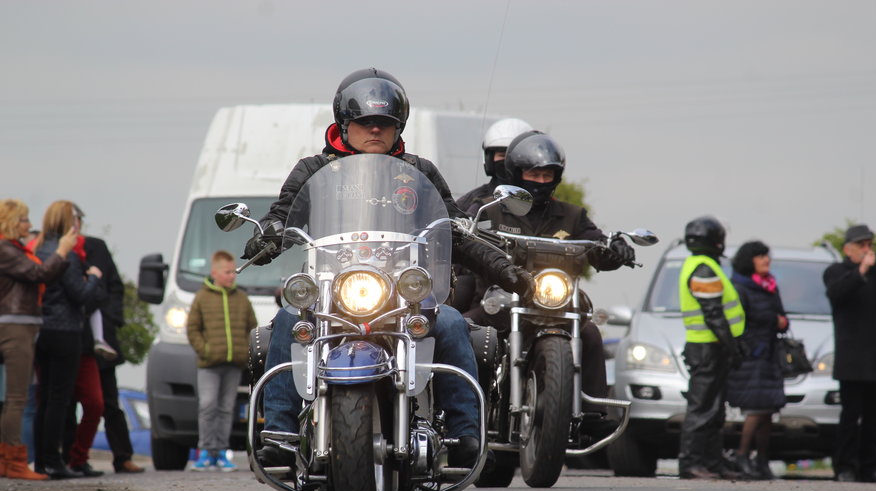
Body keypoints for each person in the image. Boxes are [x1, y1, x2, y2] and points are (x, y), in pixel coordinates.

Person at [242, 68, 534, 469]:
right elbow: (283, 213)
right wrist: (268, 233)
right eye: (365, 122)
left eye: (386, 123)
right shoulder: (312, 170)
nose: (375, 130)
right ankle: (279, 431)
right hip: (332, 289)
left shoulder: (419, 172)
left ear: (399, 128)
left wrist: (508, 272)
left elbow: (455, 229)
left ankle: (465, 432)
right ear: (344, 125)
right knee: (287, 322)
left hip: (404, 291)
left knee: (449, 322)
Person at [469, 130, 635, 398]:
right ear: (515, 172)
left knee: (590, 334)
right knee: (463, 331)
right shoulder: (491, 210)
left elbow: (596, 243)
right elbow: (465, 239)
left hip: (555, 303)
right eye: (533, 175)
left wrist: (615, 248)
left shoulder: (572, 216)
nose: (541, 181)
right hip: (499, 301)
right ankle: (460, 413)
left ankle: (594, 415)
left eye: (547, 176)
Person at [32, 200, 107, 479]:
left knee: (43, 398)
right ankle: (55, 461)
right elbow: (81, 296)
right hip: (65, 331)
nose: (78, 227)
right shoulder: (68, 255)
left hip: (41, 330)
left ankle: (41, 461)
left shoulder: (40, 248)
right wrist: (95, 278)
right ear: (69, 222)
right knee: (58, 400)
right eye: (76, 221)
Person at [0, 199, 73, 480]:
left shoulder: (11, 249)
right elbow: (40, 273)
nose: (29, 226)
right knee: (17, 397)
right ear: (10, 222)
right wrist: (62, 251)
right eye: (24, 220)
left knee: (12, 398)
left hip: (18, 324)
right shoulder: (6, 249)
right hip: (16, 326)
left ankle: (8, 459)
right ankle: (15, 460)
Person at [824, 224, 876, 483]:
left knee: (873, 417)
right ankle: (845, 466)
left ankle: (870, 467)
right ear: (848, 249)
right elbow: (837, 294)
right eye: (861, 246)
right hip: (852, 357)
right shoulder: (837, 271)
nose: (867, 250)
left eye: (870, 245)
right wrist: (862, 270)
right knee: (850, 415)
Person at [678, 216, 747, 480]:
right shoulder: (703, 268)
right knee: (703, 408)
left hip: (710, 347)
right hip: (708, 348)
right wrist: (733, 346)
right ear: (715, 241)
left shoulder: (702, 265)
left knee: (714, 409)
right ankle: (692, 463)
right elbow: (714, 315)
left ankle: (712, 463)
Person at [449, 118, 533, 313]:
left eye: (513, 155)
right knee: (454, 308)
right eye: (501, 154)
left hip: (545, 287)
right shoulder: (472, 202)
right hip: (485, 291)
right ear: (488, 158)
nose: (507, 161)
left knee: (589, 332)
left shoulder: (547, 205)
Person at [187, 250, 257, 472]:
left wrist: (244, 353)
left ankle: (222, 451)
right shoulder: (202, 297)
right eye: (227, 272)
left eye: (233, 271)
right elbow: (192, 329)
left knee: (227, 408)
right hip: (209, 364)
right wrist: (205, 350)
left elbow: (252, 329)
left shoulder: (242, 299)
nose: (232, 275)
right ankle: (206, 451)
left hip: (234, 364)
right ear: (215, 272)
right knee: (208, 406)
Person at [724, 241, 789, 480]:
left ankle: (762, 460)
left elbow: (781, 314)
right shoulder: (739, 286)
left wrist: (781, 321)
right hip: (751, 354)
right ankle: (742, 454)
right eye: (761, 256)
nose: (766, 260)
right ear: (749, 260)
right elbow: (744, 318)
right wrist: (774, 319)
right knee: (756, 408)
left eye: (767, 256)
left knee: (767, 410)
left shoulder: (770, 284)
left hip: (770, 354)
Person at [83, 235, 144, 473]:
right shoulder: (58, 248)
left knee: (109, 402)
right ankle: (71, 457)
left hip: (102, 341)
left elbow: (116, 286)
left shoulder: (96, 247)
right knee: (68, 403)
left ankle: (122, 457)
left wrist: (112, 318)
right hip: (72, 338)